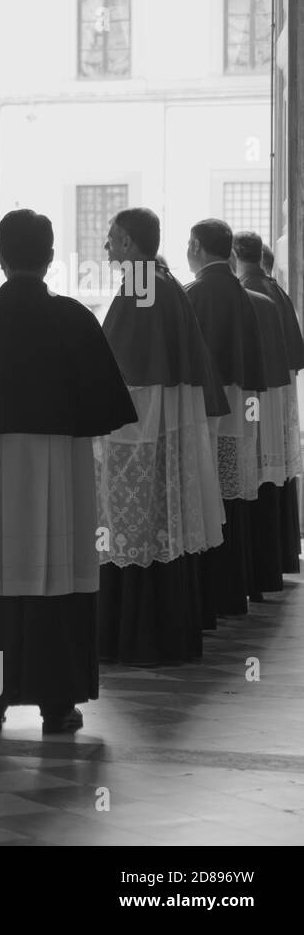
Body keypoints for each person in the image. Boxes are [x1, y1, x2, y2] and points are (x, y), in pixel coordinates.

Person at [0, 210, 136, 735]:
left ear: (0, 257)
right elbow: (106, 408)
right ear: (49, 257)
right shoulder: (74, 319)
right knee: (57, 574)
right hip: (57, 469)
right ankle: (58, 702)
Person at [94, 208, 227, 665]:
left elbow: (116, 368)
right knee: (159, 527)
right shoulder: (165, 281)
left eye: (112, 239)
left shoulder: (140, 285)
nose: (106, 247)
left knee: (134, 528)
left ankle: (131, 639)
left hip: (137, 434)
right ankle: (166, 634)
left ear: (130, 242)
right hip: (161, 429)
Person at [185, 219, 270, 620]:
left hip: (208, 412)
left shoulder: (194, 294)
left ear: (198, 247)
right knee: (232, 503)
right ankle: (233, 593)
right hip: (241, 409)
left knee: (206, 498)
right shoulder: (243, 292)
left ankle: (209, 598)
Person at [233, 232, 303, 574]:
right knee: (271, 473)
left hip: (256, 398)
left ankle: (261, 565)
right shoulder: (274, 288)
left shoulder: (250, 291)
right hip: (276, 395)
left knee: (256, 471)